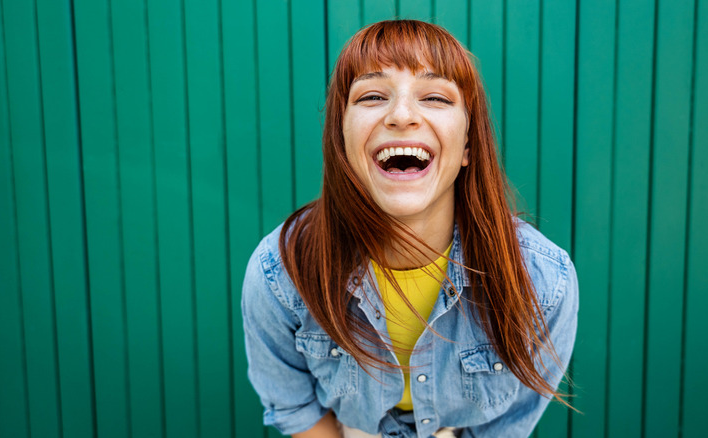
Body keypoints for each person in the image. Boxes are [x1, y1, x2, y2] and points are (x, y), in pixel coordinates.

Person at [242, 19, 578, 438]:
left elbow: (510, 423)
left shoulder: (545, 281)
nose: (401, 115)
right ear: (341, 139)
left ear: (469, 145)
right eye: (372, 95)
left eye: (435, 96)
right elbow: (291, 404)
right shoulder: (279, 271)